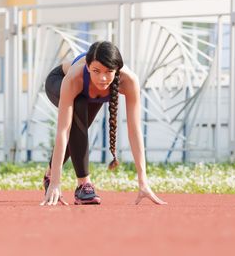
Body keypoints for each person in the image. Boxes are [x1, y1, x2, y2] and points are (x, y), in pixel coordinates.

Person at [41, 41, 167, 206]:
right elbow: (63, 131)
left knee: (79, 131)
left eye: (109, 72)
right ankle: (83, 184)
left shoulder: (129, 81)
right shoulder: (74, 78)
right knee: (77, 114)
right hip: (57, 81)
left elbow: (134, 131)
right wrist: (56, 182)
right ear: (87, 67)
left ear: (117, 70)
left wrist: (143, 181)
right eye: (96, 71)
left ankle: (49, 175)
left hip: (90, 94)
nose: (102, 78)